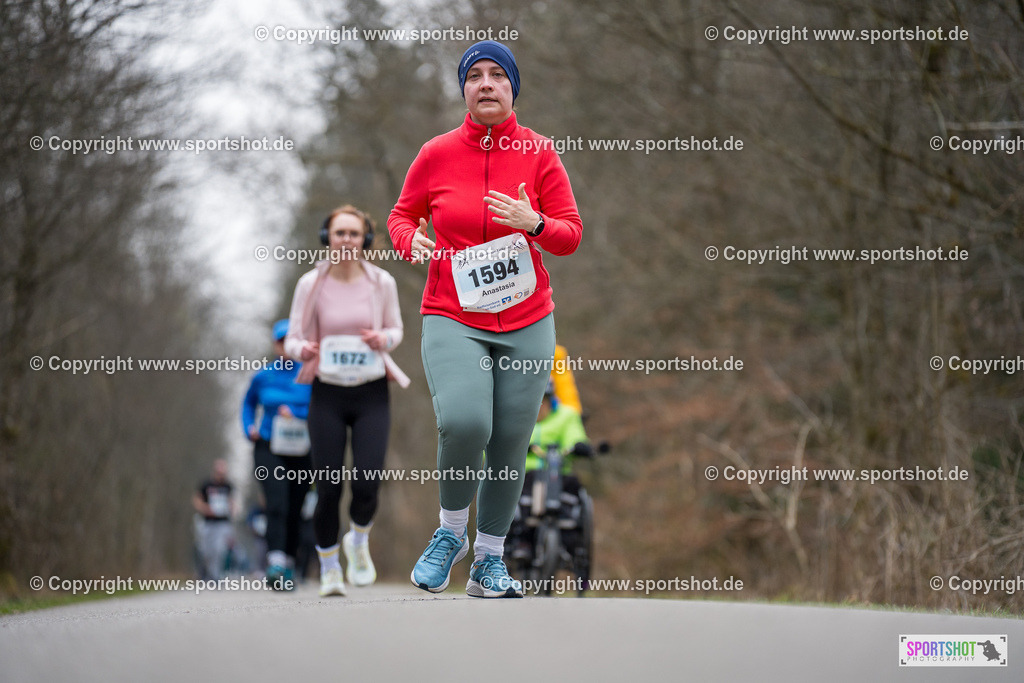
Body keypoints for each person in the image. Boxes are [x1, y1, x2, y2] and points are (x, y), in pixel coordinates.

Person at [389, 40, 583, 598]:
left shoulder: (541, 152)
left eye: (499, 75)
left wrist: (535, 221)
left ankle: (490, 562)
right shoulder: (436, 153)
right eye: (475, 76)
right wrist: (410, 241)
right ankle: (450, 533)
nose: (487, 84)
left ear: (513, 88)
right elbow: (401, 216)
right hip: (454, 311)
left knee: (510, 440)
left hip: (527, 316)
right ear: (464, 91)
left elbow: (570, 233)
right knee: (467, 422)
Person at [285, 204, 409, 597]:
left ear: (366, 240)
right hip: (327, 392)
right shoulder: (311, 283)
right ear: (327, 238)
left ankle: (358, 540)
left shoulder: (381, 282)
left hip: (372, 389)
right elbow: (291, 339)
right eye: (339, 233)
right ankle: (328, 566)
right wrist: (303, 349)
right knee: (328, 486)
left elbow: (396, 330)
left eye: (354, 234)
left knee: (368, 480)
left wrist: (382, 340)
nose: (346, 241)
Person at [241, 319, 311, 590]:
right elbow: (247, 404)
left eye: (290, 340)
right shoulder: (263, 376)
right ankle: (275, 562)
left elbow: (320, 408)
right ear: (274, 344)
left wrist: (297, 414)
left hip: (302, 448)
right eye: (280, 341)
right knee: (277, 503)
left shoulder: (309, 373)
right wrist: (249, 427)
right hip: (269, 445)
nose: (285, 346)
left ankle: (290, 563)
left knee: (296, 507)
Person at [192, 459, 235, 581]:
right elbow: (196, 500)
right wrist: (206, 509)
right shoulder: (206, 484)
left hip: (223, 523)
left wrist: (232, 509)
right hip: (208, 522)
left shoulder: (228, 486)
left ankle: (215, 576)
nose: (221, 475)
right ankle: (206, 573)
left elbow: (231, 501)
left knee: (220, 549)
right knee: (206, 550)